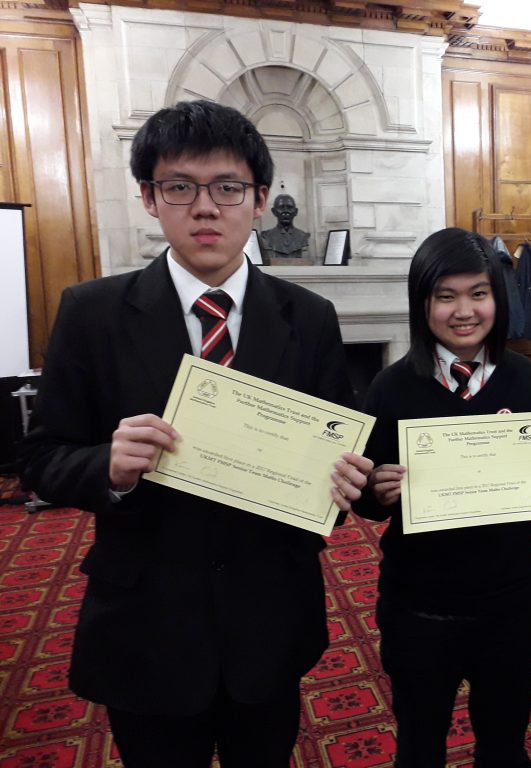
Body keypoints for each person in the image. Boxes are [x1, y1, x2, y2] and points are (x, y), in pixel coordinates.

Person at [17, 100, 372, 768]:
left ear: (261, 199)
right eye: (180, 187)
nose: (205, 208)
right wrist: (108, 467)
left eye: (227, 188)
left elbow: (336, 445)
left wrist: (344, 481)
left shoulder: (311, 317)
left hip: (270, 618)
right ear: (150, 198)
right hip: (148, 622)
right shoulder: (91, 313)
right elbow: (39, 459)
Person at [355, 227, 531, 768]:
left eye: (478, 293)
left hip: (509, 596)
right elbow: (364, 499)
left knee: (503, 740)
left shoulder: (522, 379)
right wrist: (378, 492)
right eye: (445, 296)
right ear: (421, 301)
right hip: (419, 603)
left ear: (497, 298)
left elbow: (529, 481)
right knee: (420, 741)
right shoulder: (390, 387)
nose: (464, 311)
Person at [260, 193, 311, 260]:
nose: (286, 211)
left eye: (290, 208)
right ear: (274, 211)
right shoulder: (266, 236)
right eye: (281, 208)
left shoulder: (303, 236)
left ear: (295, 212)